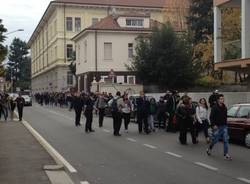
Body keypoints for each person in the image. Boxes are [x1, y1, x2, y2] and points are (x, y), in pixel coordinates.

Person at [206, 94, 232, 160]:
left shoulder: (225, 107)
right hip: (217, 127)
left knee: (226, 140)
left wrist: (226, 124)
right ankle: (209, 148)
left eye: (223, 99)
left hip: (224, 126)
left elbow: (225, 117)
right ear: (218, 100)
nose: (222, 100)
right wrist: (213, 125)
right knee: (215, 140)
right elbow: (211, 117)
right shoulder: (214, 107)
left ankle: (226, 154)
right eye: (221, 99)